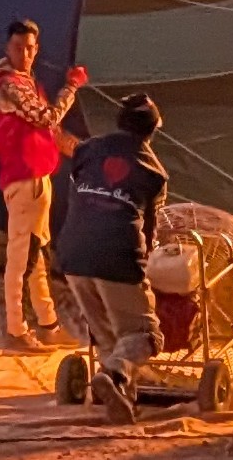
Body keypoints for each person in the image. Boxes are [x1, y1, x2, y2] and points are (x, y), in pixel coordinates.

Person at [52, 94, 170, 421]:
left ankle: (116, 398)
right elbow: (148, 232)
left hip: (72, 252)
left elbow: (79, 193)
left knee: (105, 334)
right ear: (151, 132)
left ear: (119, 122)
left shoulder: (87, 150)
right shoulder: (155, 173)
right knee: (144, 335)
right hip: (117, 254)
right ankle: (115, 375)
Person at [0, 19, 89, 348]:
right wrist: (71, 88)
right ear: (8, 48)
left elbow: (49, 132)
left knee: (36, 255)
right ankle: (16, 330)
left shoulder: (26, 83)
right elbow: (47, 119)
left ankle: (48, 323)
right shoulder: (8, 86)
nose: (25, 53)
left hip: (37, 178)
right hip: (24, 180)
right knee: (22, 259)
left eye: (30, 48)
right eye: (19, 47)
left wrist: (85, 152)